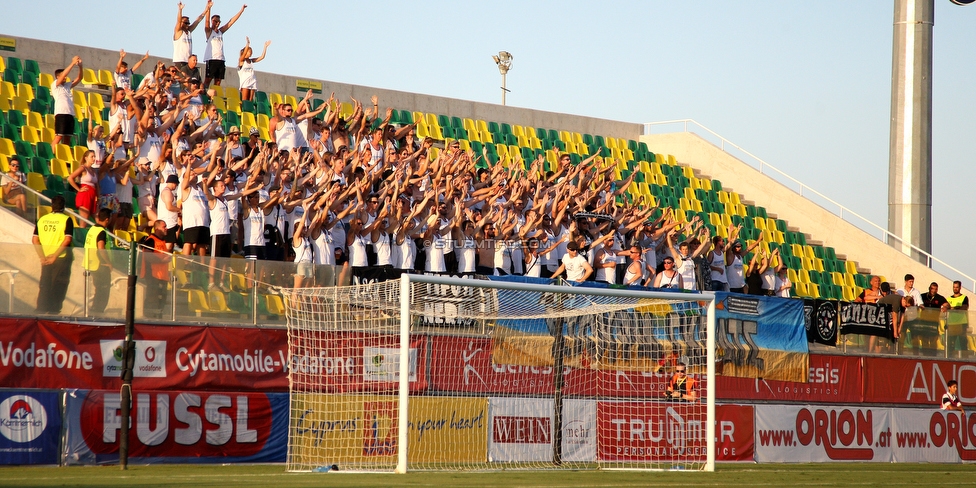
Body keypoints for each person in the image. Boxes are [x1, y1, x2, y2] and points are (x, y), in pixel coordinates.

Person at [33, 195, 73, 314]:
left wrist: (42, 257)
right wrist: (55, 256)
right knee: (59, 284)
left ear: (52, 206)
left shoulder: (42, 219)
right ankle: (53, 310)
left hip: (45, 257)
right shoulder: (66, 219)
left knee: (45, 283)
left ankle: (41, 309)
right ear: (64, 207)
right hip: (60, 257)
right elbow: (67, 240)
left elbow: (35, 240)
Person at [203, 3, 247, 88]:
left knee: (218, 80)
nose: (217, 23)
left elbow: (231, 22)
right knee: (208, 79)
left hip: (221, 59)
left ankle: (215, 97)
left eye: (218, 21)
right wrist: (208, 8)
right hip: (212, 59)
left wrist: (241, 10)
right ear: (213, 21)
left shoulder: (220, 32)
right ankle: (204, 95)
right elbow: (207, 22)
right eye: (215, 21)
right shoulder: (209, 32)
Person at [139, 219, 172, 319]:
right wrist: (163, 261)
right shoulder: (151, 240)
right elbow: (148, 256)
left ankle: (158, 317)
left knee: (161, 299)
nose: (166, 228)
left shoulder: (162, 241)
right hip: (152, 275)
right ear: (157, 228)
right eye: (164, 226)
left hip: (161, 275)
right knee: (152, 298)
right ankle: (149, 318)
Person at [83, 208, 113, 315]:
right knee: (102, 290)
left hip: (90, 263)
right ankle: (97, 312)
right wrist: (108, 262)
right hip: (100, 265)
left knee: (98, 289)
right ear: (107, 219)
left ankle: (94, 310)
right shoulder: (101, 232)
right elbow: (101, 248)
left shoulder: (92, 229)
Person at [52, 55, 84, 146]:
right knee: (58, 137)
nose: (66, 78)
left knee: (67, 138)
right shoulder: (55, 85)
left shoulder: (68, 86)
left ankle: (64, 157)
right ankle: (52, 155)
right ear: (57, 77)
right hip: (61, 113)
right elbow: (63, 75)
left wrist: (80, 66)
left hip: (70, 113)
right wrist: (72, 63)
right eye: (63, 76)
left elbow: (79, 78)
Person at [173, 1, 211, 69]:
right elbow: (178, 21)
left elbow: (198, 20)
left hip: (188, 61)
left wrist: (206, 9)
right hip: (180, 60)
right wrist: (180, 10)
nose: (187, 24)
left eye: (188, 23)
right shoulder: (178, 31)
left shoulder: (189, 31)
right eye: (185, 23)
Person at [238, 37, 271, 102]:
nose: (251, 53)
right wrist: (247, 44)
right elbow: (244, 54)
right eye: (249, 51)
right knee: (245, 100)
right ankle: (244, 111)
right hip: (245, 82)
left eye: (251, 51)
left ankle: (250, 111)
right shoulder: (241, 60)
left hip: (252, 81)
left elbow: (261, 57)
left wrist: (265, 47)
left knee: (250, 100)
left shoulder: (251, 61)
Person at [877, 282, 905, 353]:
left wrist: (898, 328)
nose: (885, 294)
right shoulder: (879, 296)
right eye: (884, 292)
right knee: (881, 339)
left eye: (887, 292)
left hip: (890, 319)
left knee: (891, 338)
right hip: (881, 317)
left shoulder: (895, 296)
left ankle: (890, 352)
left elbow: (898, 315)